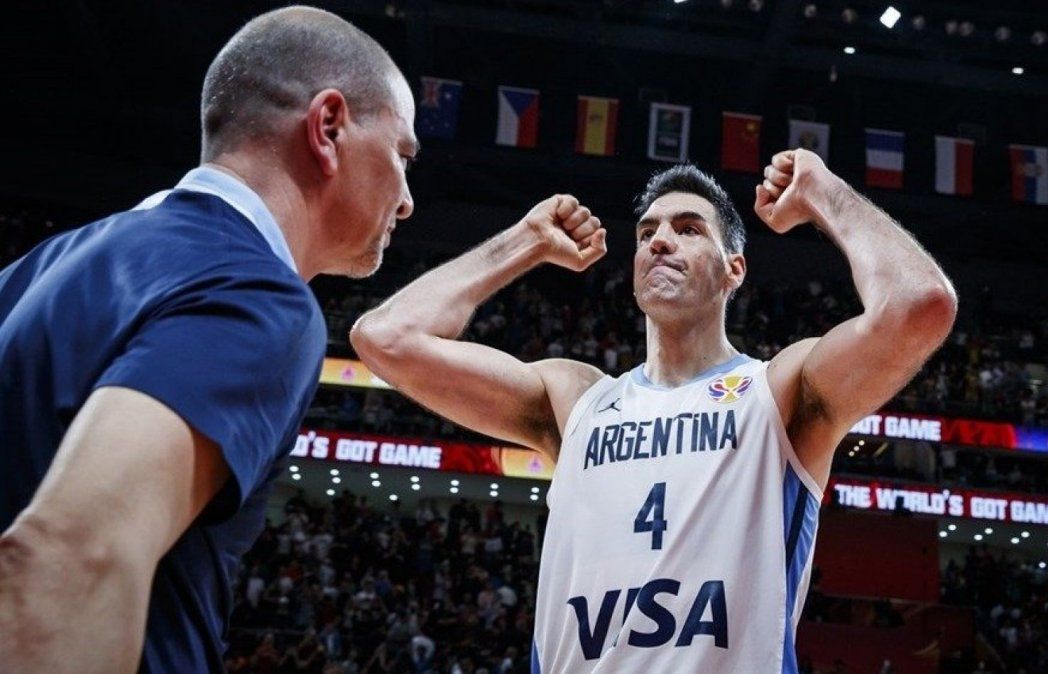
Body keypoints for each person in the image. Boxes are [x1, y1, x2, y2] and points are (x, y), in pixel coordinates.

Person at [350, 150, 955, 671]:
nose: (660, 240)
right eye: (646, 233)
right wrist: (524, 242)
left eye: (689, 229)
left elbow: (919, 304)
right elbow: (386, 338)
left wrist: (823, 191)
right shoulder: (576, 399)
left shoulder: (777, 392)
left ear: (734, 270)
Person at [0, 6, 417, 672]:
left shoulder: (35, 269)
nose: (407, 199)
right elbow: (72, 554)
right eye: (402, 155)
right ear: (329, 127)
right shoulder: (259, 294)